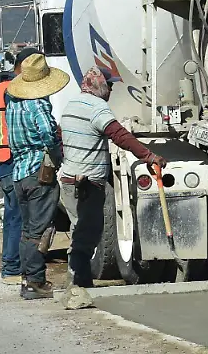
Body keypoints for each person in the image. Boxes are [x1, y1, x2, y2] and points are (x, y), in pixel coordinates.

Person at [57, 67, 166, 310]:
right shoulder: (97, 108)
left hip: (69, 180)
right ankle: (77, 287)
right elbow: (119, 136)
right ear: (99, 85)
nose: (112, 89)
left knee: (80, 230)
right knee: (88, 233)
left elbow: (62, 137)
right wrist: (148, 156)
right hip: (86, 183)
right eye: (110, 85)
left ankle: (78, 281)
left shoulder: (73, 103)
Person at [6, 52, 70, 300]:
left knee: (27, 229)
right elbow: (47, 133)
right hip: (38, 171)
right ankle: (35, 280)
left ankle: (27, 278)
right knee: (38, 229)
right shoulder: (38, 103)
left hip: (19, 171)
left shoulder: (13, 102)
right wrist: (57, 148)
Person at [0, 49, 28, 285]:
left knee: (13, 216)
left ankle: (11, 265)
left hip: (2, 158)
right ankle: (13, 267)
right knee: (17, 216)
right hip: (12, 157)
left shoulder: (1, 88)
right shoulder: (13, 90)